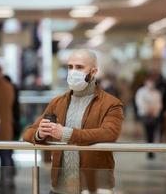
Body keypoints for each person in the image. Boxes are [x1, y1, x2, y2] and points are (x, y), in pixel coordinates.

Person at [22, 49, 124, 194]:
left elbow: (109, 133)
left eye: (79, 67)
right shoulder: (57, 102)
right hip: (60, 187)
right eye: (70, 67)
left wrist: (67, 133)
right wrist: (40, 133)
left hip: (94, 187)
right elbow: (28, 133)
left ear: (93, 71)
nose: (73, 72)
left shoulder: (111, 104)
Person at [135, 73, 162, 159]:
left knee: (153, 133)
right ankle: (149, 150)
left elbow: (159, 103)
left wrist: (155, 111)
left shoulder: (157, 92)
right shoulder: (141, 91)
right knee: (148, 133)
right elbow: (139, 102)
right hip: (145, 115)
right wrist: (147, 110)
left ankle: (151, 150)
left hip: (154, 115)